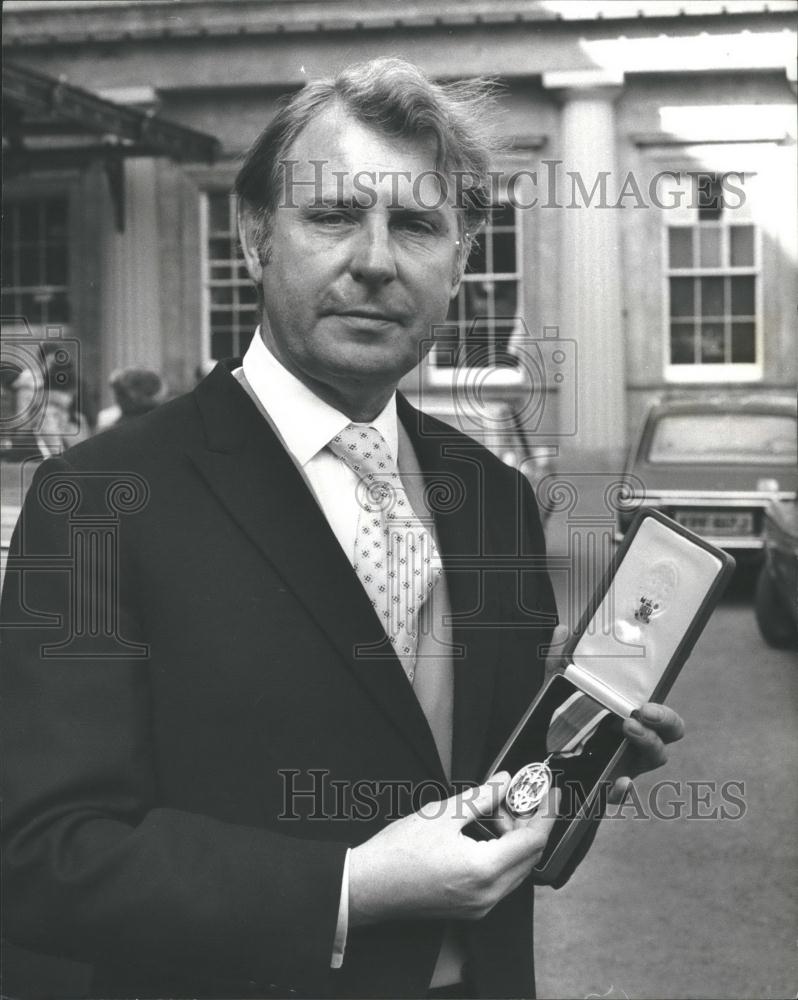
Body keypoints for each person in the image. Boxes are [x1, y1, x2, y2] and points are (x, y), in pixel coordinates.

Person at [1, 58, 683, 999]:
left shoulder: (492, 494)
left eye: (415, 224)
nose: (374, 259)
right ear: (253, 237)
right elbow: (41, 858)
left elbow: (481, 794)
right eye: (331, 215)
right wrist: (350, 889)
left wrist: (574, 774)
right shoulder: (98, 497)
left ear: (461, 256)